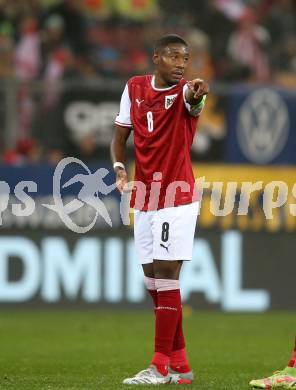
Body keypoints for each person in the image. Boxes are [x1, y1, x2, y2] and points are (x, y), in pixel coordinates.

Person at [110, 34, 209, 385]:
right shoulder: (134, 87)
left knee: (167, 276)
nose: (182, 64)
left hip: (176, 196)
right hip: (145, 196)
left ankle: (159, 366)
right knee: (153, 281)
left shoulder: (185, 93)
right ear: (156, 58)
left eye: (186, 58)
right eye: (174, 57)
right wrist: (120, 168)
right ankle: (181, 364)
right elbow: (120, 135)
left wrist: (196, 94)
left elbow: (193, 99)